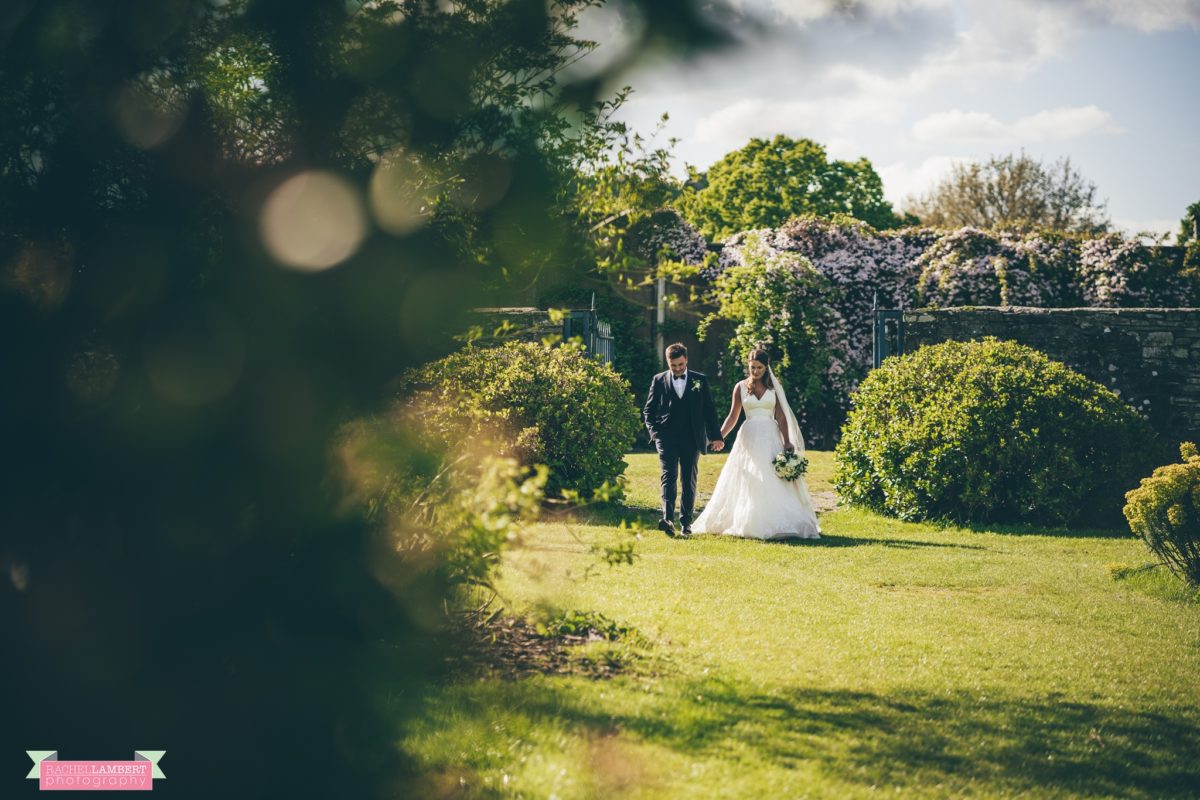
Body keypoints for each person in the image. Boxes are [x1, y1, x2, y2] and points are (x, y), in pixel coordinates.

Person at [690, 348, 821, 540]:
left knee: (771, 475)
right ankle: (747, 520)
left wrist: (787, 441)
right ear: (748, 366)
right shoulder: (740, 387)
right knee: (749, 475)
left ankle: (779, 521)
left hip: (770, 435)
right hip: (749, 436)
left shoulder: (774, 388)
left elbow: (782, 417)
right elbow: (733, 416)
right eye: (752, 367)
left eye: (759, 368)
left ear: (766, 367)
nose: (756, 371)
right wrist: (719, 437)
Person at [643, 343, 724, 537]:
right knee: (668, 477)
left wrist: (715, 437)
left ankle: (686, 523)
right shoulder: (659, 380)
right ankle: (668, 519)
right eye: (673, 366)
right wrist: (655, 433)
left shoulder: (700, 380)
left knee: (688, 480)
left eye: (680, 364)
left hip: (691, 438)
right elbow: (648, 410)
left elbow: (709, 411)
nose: (678, 368)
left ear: (686, 359)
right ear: (668, 362)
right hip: (667, 437)